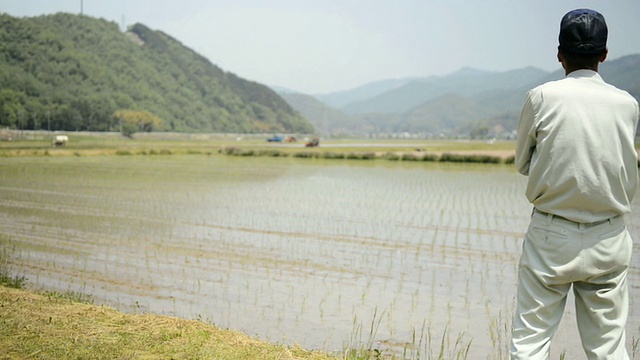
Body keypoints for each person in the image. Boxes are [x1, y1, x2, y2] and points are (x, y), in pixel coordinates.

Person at [511, 8, 640, 360]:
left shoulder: (541, 97)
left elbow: (523, 161)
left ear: (559, 54)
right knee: (609, 348)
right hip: (609, 235)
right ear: (604, 54)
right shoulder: (627, 104)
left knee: (530, 341)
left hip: (552, 234)